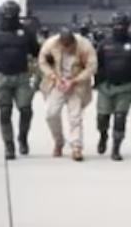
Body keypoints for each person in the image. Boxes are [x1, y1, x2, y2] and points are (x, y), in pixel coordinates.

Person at [0, 0, 40, 159]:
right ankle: (9, 145)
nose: (9, 18)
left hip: (22, 76)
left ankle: (22, 138)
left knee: (26, 110)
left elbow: (37, 51)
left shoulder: (26, 32)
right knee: (5, 111)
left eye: (12, 15)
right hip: (2, 76)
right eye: (7, 15)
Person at [95, 12, 131, 161]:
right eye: (116, 25)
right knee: (102, 118)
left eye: (122, 25)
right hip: (106, 87)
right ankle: (103, 135)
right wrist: (95, 82)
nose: (119, 28)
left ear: (127, 26)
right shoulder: (104, 44)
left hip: (125, 87)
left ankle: (116, 149)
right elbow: (96, 65)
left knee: (120, 117)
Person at [38, 27, 97, 161]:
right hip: (56, 83)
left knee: (75, 117)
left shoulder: (85, 45)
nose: (66, 48)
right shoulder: (50, 44)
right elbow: (42, 62)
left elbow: (92, 67)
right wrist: (54, 77)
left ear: (73, 42)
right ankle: (59, 142)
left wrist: (74, 81)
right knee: (51, 114)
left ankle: (76, 147)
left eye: (69, 45)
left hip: (77, 84)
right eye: (64, 45)